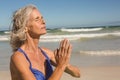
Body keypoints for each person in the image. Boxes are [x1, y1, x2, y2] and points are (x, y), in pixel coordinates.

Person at [10, 4, 80, 80]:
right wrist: (60, 66)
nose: (43, 21)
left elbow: (77, 74)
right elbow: (61, 66)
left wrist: (64, 62)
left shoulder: (45, 53)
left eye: (42, 18)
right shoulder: (18, 58)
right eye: (37, 19)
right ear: (25, 27)